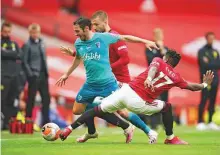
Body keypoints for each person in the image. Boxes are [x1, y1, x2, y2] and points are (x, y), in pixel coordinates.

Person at [60, 49, 214, 145]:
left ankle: (68, 129)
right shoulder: (177, 77)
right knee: (167, 107)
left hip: (125, 92)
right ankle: (170, 137)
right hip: (139, 101)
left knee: (96, 109)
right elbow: (192, 87)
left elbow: (153, 68)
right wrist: (205, 85)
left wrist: (148, 78)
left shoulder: (159, 60)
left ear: (166, 59)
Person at [56, 17, 159, 143]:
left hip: (108, 84)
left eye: (77, 31)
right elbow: (78, 58)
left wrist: (145, 41)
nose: (75, 33)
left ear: (86, 28)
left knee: (123, 112)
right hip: (90, 85)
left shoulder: (103, 37)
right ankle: (92, 131)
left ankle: (149, 132)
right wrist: (67, 74)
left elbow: (125, 37)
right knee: (78, 110)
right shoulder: (78, 42)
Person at [22, 23, 50, 127]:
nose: (35, 34)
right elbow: (24, 62)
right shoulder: (27, 44)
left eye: (36, 32)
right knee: (31, 99)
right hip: (34, 75)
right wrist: (30, 75)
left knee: (46, 99)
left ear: (39, 32)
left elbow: (44, 59)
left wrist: (46, 72)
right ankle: (28, 121)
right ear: (30, 33)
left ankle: (46, 122)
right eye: (33, 32)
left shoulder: (42, 43)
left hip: (43, 75)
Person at [145, 28, 169, 129]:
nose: (159, 36)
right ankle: (153, 124)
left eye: (160, 34)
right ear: (154, 36)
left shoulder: (166, 49)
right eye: (157, 35)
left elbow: (167, 61)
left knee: (164, 100)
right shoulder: (150, 47)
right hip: (153, 78)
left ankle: (165, 123)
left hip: (164, 78)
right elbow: (151, 60)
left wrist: (162, 48)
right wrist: (158, 49)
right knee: (153, 100)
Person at [197, 32, 220, 131]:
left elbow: (218, 65)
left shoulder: (215, 51)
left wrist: (210, 62)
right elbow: (203, 65)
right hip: (206, 79)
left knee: (213, 100)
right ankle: (200, 121)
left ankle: (210, 121)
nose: (211, 40)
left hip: (215, 79)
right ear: (206, 39)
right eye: (210, 38)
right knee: (204, 99)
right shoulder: (202, 51)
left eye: (213, 38)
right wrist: (212, 63)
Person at [1, 21, 22, 130]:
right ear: (1, 31)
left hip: (14, 77)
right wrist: (11, 54)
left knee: (11, 100)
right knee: (2, 100)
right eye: (5, 31)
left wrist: (6, 53)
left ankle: (7, 124)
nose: (7, 33)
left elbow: (19, 55)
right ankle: (2, 123)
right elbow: (4, 54)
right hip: (2, 77)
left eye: (9, 31)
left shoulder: (14, 44)